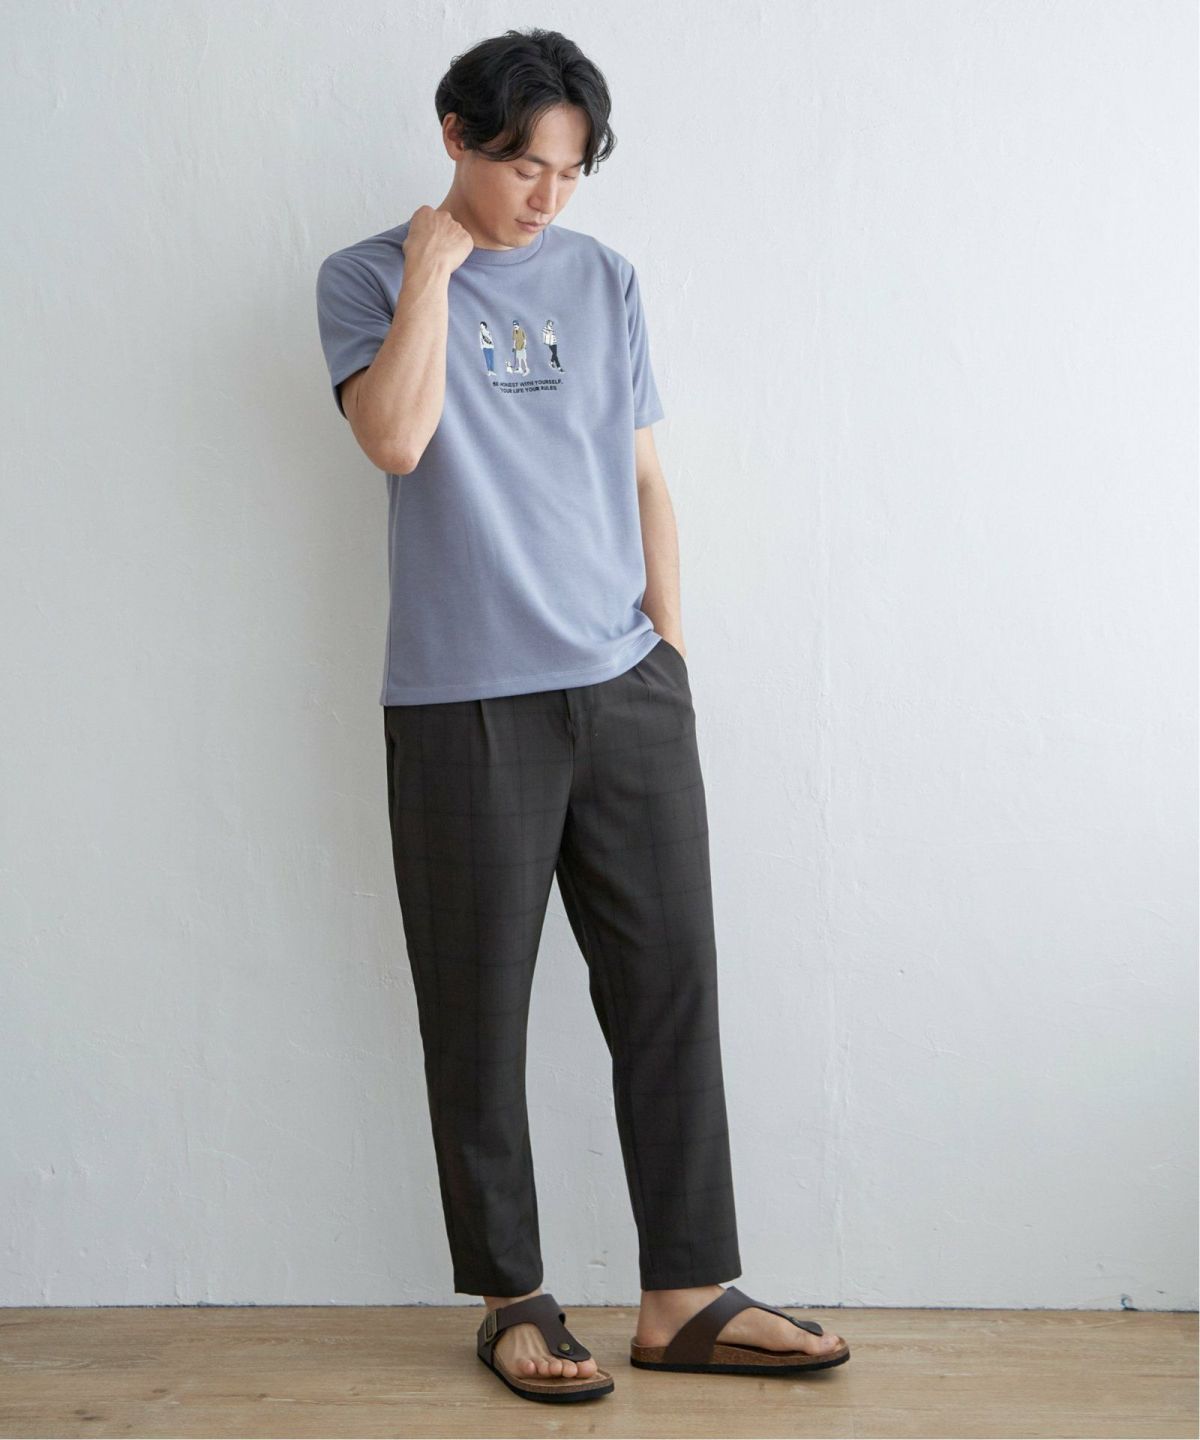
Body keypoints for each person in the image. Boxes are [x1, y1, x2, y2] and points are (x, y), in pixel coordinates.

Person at [315, 25, 850, 1405]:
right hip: (464, 705)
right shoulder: (368, 276)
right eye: (519, 166)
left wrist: (666, 652)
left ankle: (688, 1295)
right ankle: (514, 1298)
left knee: (671, 990)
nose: (544, 198)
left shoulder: (605, 278)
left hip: (627, 690)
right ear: (455, 136)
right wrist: (436, 267)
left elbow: (645, 476)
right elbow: (395, 437)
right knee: (477, 1010)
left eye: (568, 171)